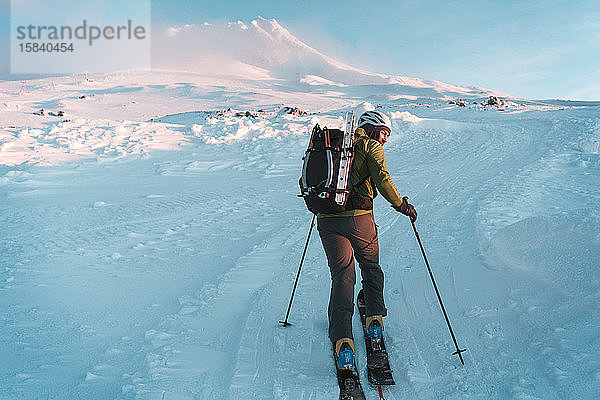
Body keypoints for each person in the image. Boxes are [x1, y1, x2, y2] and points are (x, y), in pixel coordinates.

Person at [316, 110, 417, 372]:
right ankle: (374, 321)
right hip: (359, 218)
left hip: (327, 220)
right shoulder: (370, 146)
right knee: (370, 267)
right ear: (370, 128)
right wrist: (401, 205)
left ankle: (342, 340)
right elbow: (382, 178)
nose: (384, 139)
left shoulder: (333, 146)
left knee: (342, 276)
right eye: (383, 133)